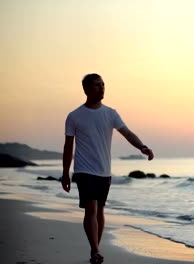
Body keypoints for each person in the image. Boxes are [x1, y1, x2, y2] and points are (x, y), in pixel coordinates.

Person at [61, 73, 154, 264]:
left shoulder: (111, 113)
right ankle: (95, 250)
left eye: (103, 84)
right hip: (84, 170)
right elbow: (68, 146)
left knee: (100, 210)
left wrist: (142, 147)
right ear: (86, 89)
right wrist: (65, 174)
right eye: (97, 85)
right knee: (91, 209)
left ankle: (95, 248)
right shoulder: (74, 116)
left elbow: (127, 133)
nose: (102, 88)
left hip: (104, 170)